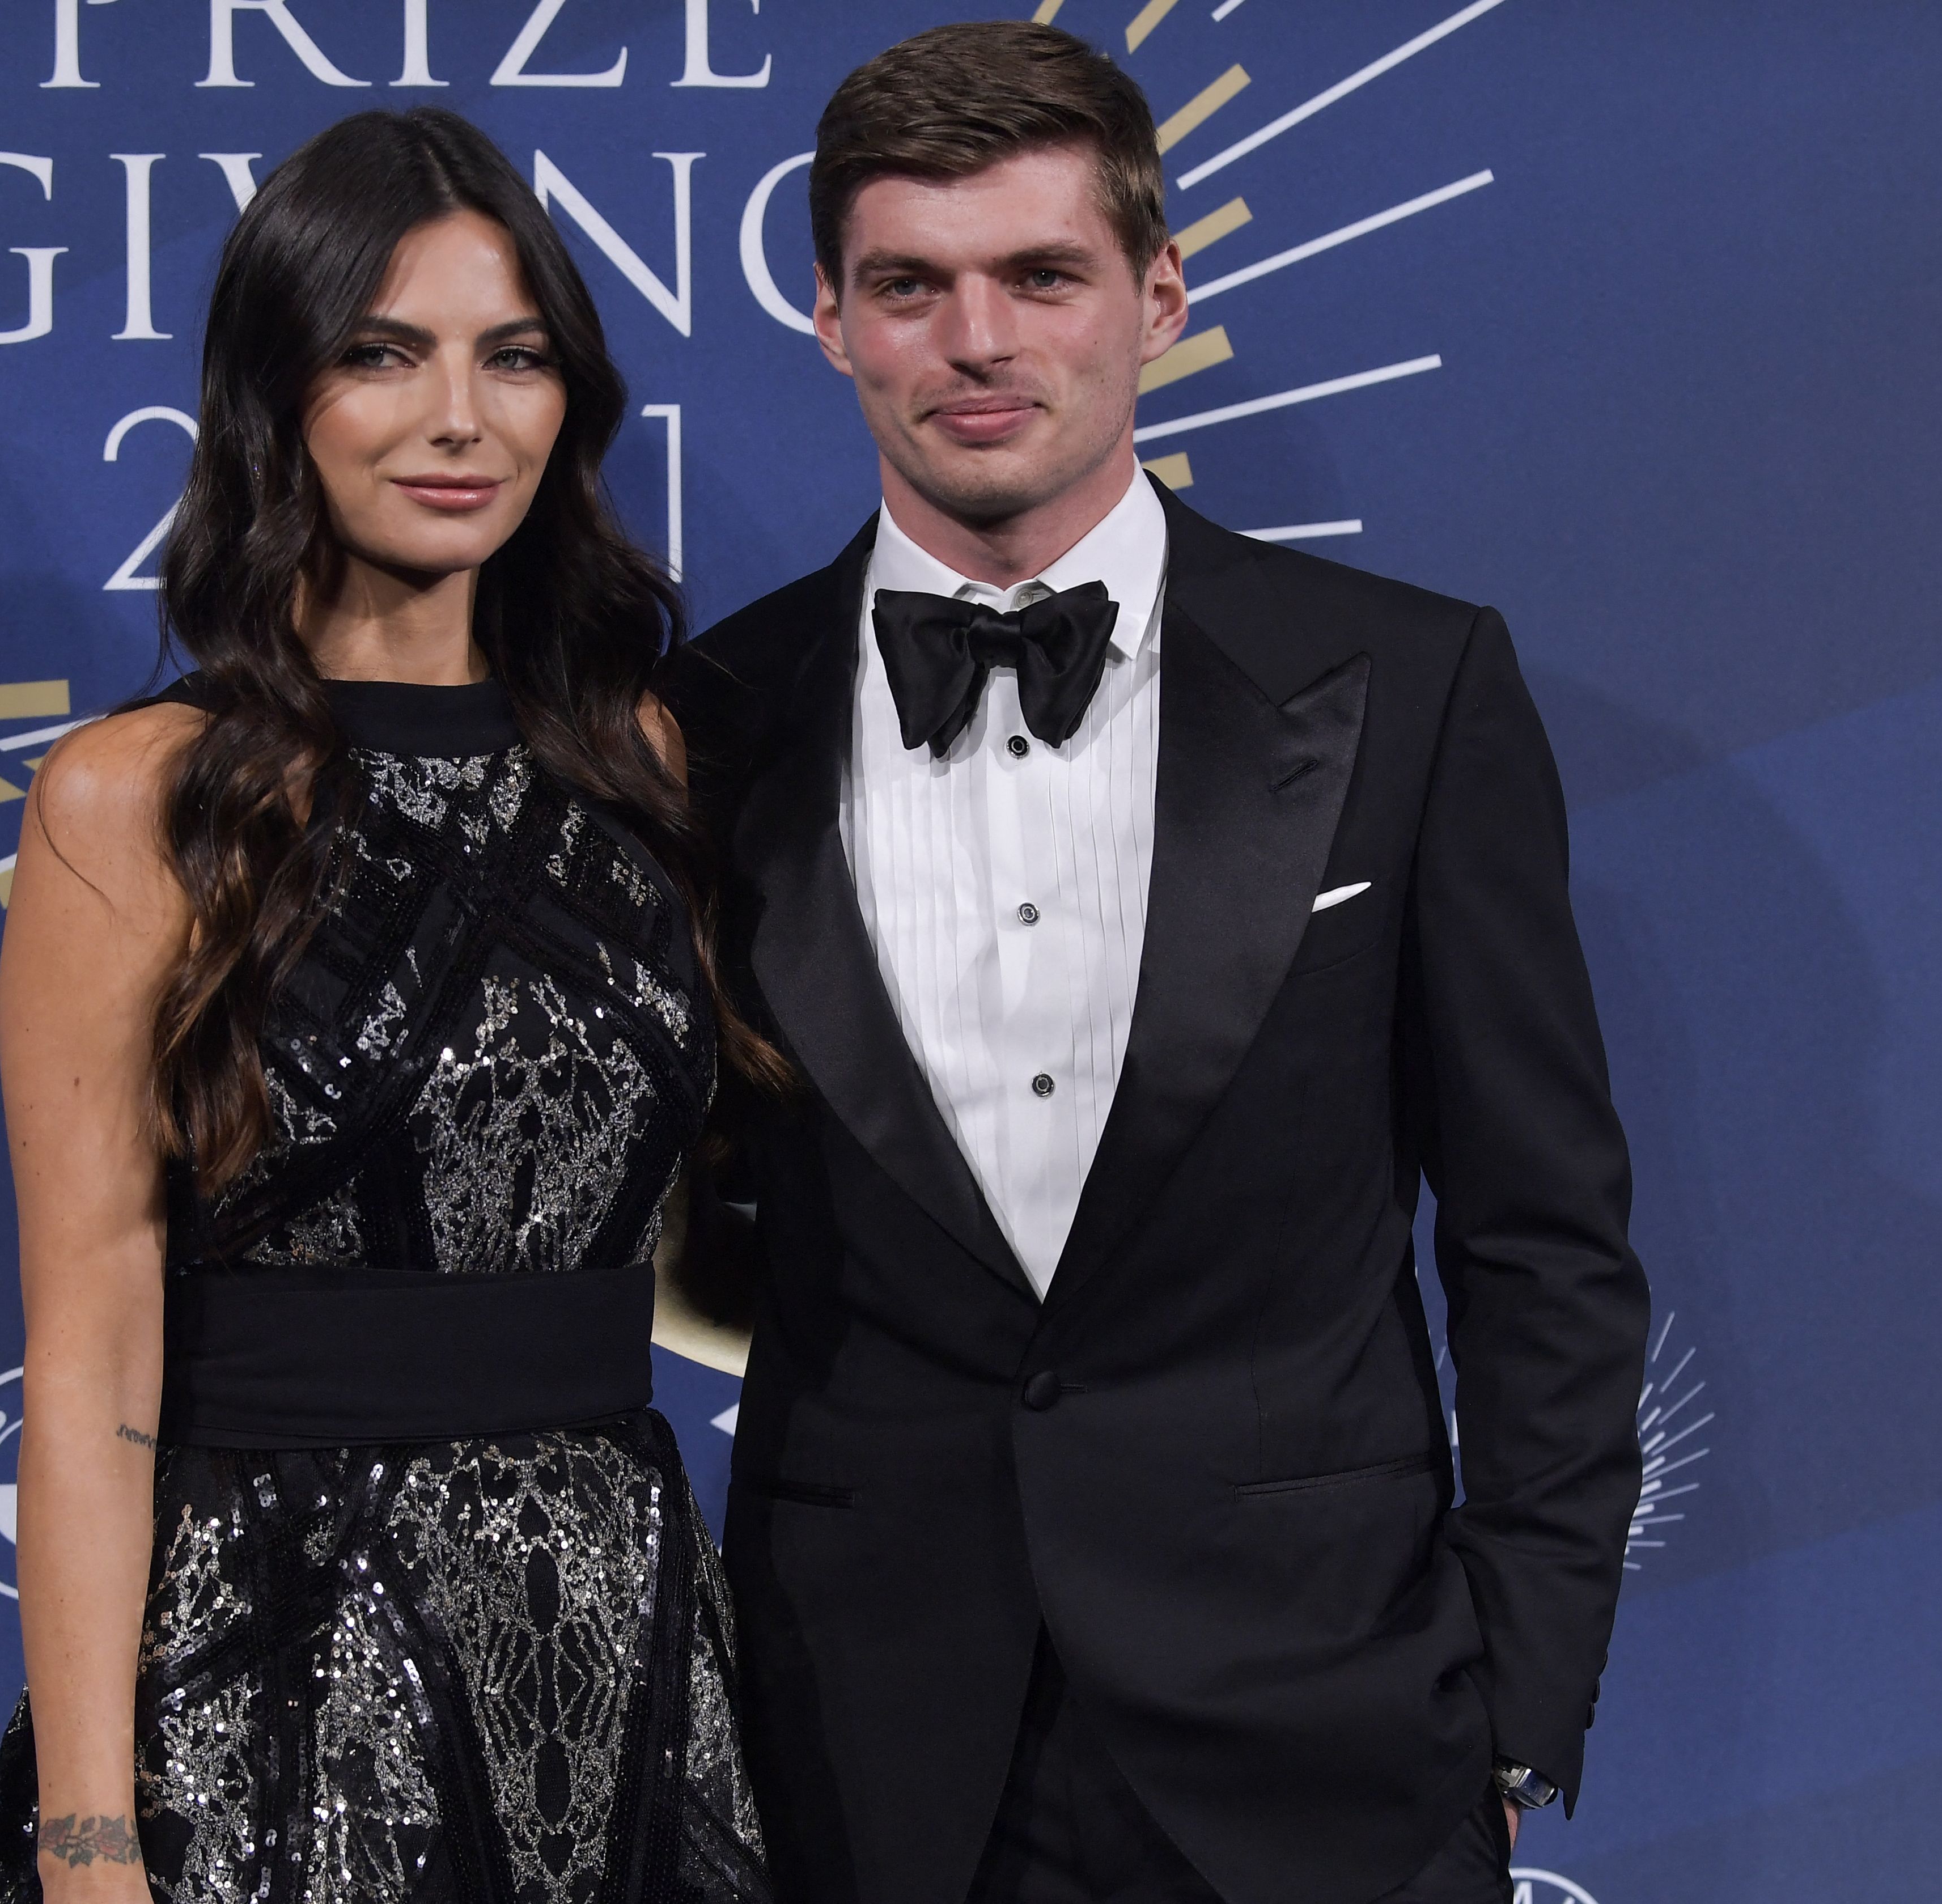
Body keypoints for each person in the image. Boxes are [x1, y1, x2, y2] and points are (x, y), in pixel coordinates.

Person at [662, 23, 1651, 1904]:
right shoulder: (696, 728)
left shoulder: (1412, 687)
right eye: (910, 286)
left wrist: (1514, 1701)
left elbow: (1545, 1241)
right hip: (862, 1743)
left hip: (1331, 1733)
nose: (977, 340)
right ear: (831, 320)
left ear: (1159, 293)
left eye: (1042, 274)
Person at [0, 107, 779, 1904]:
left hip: (621, 1636)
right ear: (279, 399)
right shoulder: (137, 798)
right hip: (273, 1670)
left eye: (515, 357)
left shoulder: (644, 759)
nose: (459, 419)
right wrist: (92, 1840)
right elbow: (91, 1351)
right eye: (382, 356)